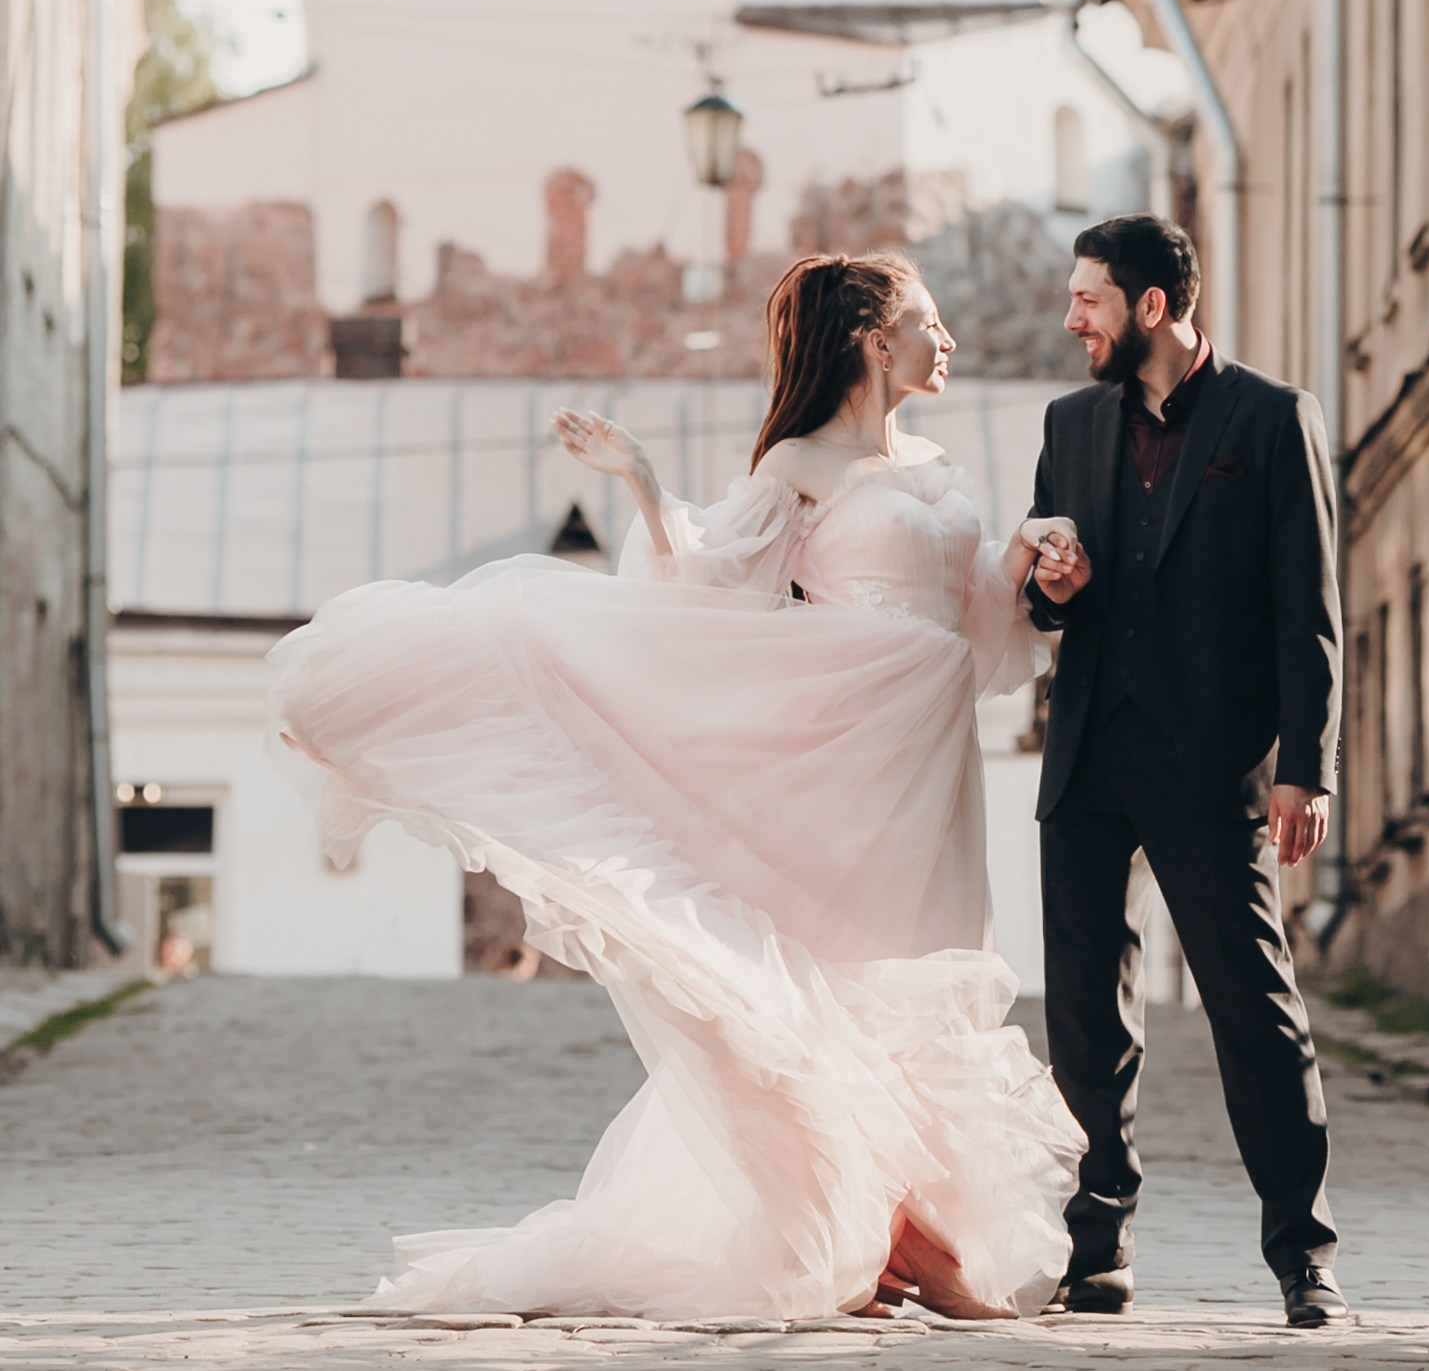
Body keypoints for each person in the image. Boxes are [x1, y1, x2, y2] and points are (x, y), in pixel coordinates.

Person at [267, 251, 1086, 1325]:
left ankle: (888, 1230)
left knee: (925, 970)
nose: (948, 341)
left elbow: (974, 615)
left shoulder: (934, 462)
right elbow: (709, 584)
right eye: (929, 322)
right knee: (840, 977)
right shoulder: (800, 460)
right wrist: (646, 482)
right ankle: (901, 1236)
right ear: (873, 339)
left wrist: (1028, 552)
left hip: (931, 751)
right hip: (841, 748)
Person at [1028, 212, 1347, 1331]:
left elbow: (1308, 608)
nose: (1072, 318)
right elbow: (1043, 587)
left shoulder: (1271, 416)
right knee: (1084, 1018)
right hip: (1089, 754)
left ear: (1151, 305)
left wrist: (1306, 766)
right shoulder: (1070, 423)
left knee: (1254, 1008)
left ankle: (1304, 1252)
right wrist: (1051, 586)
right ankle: (1098, 1243)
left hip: (1213, 763)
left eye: (1089, 298)